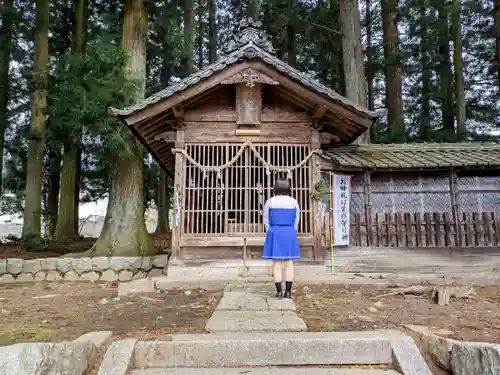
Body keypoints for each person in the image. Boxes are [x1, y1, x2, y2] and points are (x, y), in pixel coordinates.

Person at [262, 179, 300, 298]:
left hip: (275, 231)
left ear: (275, 189)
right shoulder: (294, 202)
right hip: (289, 231)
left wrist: (271, 230)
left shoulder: (270, 202)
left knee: (276, 263)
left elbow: (266, 219)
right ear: (288, 189)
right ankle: (288, 292)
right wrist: (292, 230)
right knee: (289, 262)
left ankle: (279, 291)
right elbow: (296, 220)